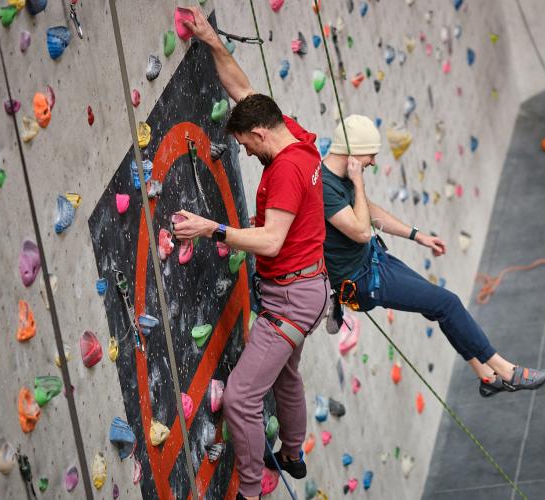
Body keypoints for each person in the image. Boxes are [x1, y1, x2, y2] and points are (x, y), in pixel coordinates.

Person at [173, 8, 329, 499]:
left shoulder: (284, 172)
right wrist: (212, 41)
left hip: (291, 298)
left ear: (261, 135)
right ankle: (293, 452)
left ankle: (248, 490)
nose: (245, 152)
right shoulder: (293, 137)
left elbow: (271, 241)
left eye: (245, 145)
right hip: (307, 288)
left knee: (241, 398)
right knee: (286, 375)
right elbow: (244, 91)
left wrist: (211, 229)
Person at [321, 115, 545, 398]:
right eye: (371, 155)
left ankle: (486, 376)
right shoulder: (326, 187)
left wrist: (417, 235)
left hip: (375, 262)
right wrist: (358, 182)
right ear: (354, 152)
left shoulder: (341, 177)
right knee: (447, 303)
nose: (373, 162)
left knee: (438, 306)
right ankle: (506, 372)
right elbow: (360, 231)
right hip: (363, 281)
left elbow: (369, 211)